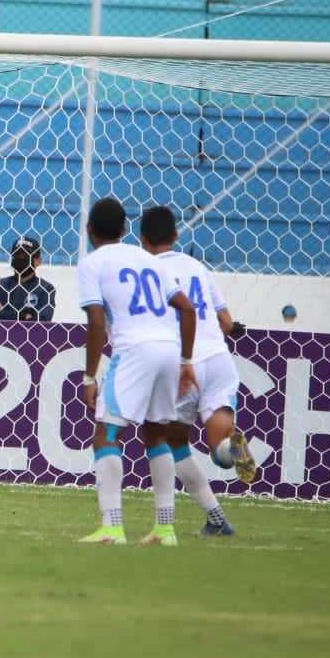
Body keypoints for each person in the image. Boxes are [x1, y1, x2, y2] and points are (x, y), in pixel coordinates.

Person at [76, 197, 199, 545]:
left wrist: (89, 377)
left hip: (134, 351)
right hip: (170, 350)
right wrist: (187, 362)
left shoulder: (92, 264)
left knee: (106, 435)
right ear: (126, 230)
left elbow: (97, 321)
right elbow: (187, 309)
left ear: (89, 231)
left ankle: (113, 527)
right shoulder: (149, 259)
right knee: (156, 435)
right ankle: (165, 528)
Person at [141, 205, 257, 538]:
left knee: (170, 442)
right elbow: (226, 321)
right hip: (218, 359)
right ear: (176, 236)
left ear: (143, 239)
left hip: (182, 363)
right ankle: (228, 454)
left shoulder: (146, 269)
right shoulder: (198, 267)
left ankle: (209, 517)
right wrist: (234, 329)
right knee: (219, 449)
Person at [0, 235, 56, 321]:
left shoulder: (46, 289)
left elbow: (44, 319)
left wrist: (4, 313)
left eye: (25, 256)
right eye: (17, 256)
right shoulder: (0, 285)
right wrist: (23, 315)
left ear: (38, 261)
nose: (20, 259)